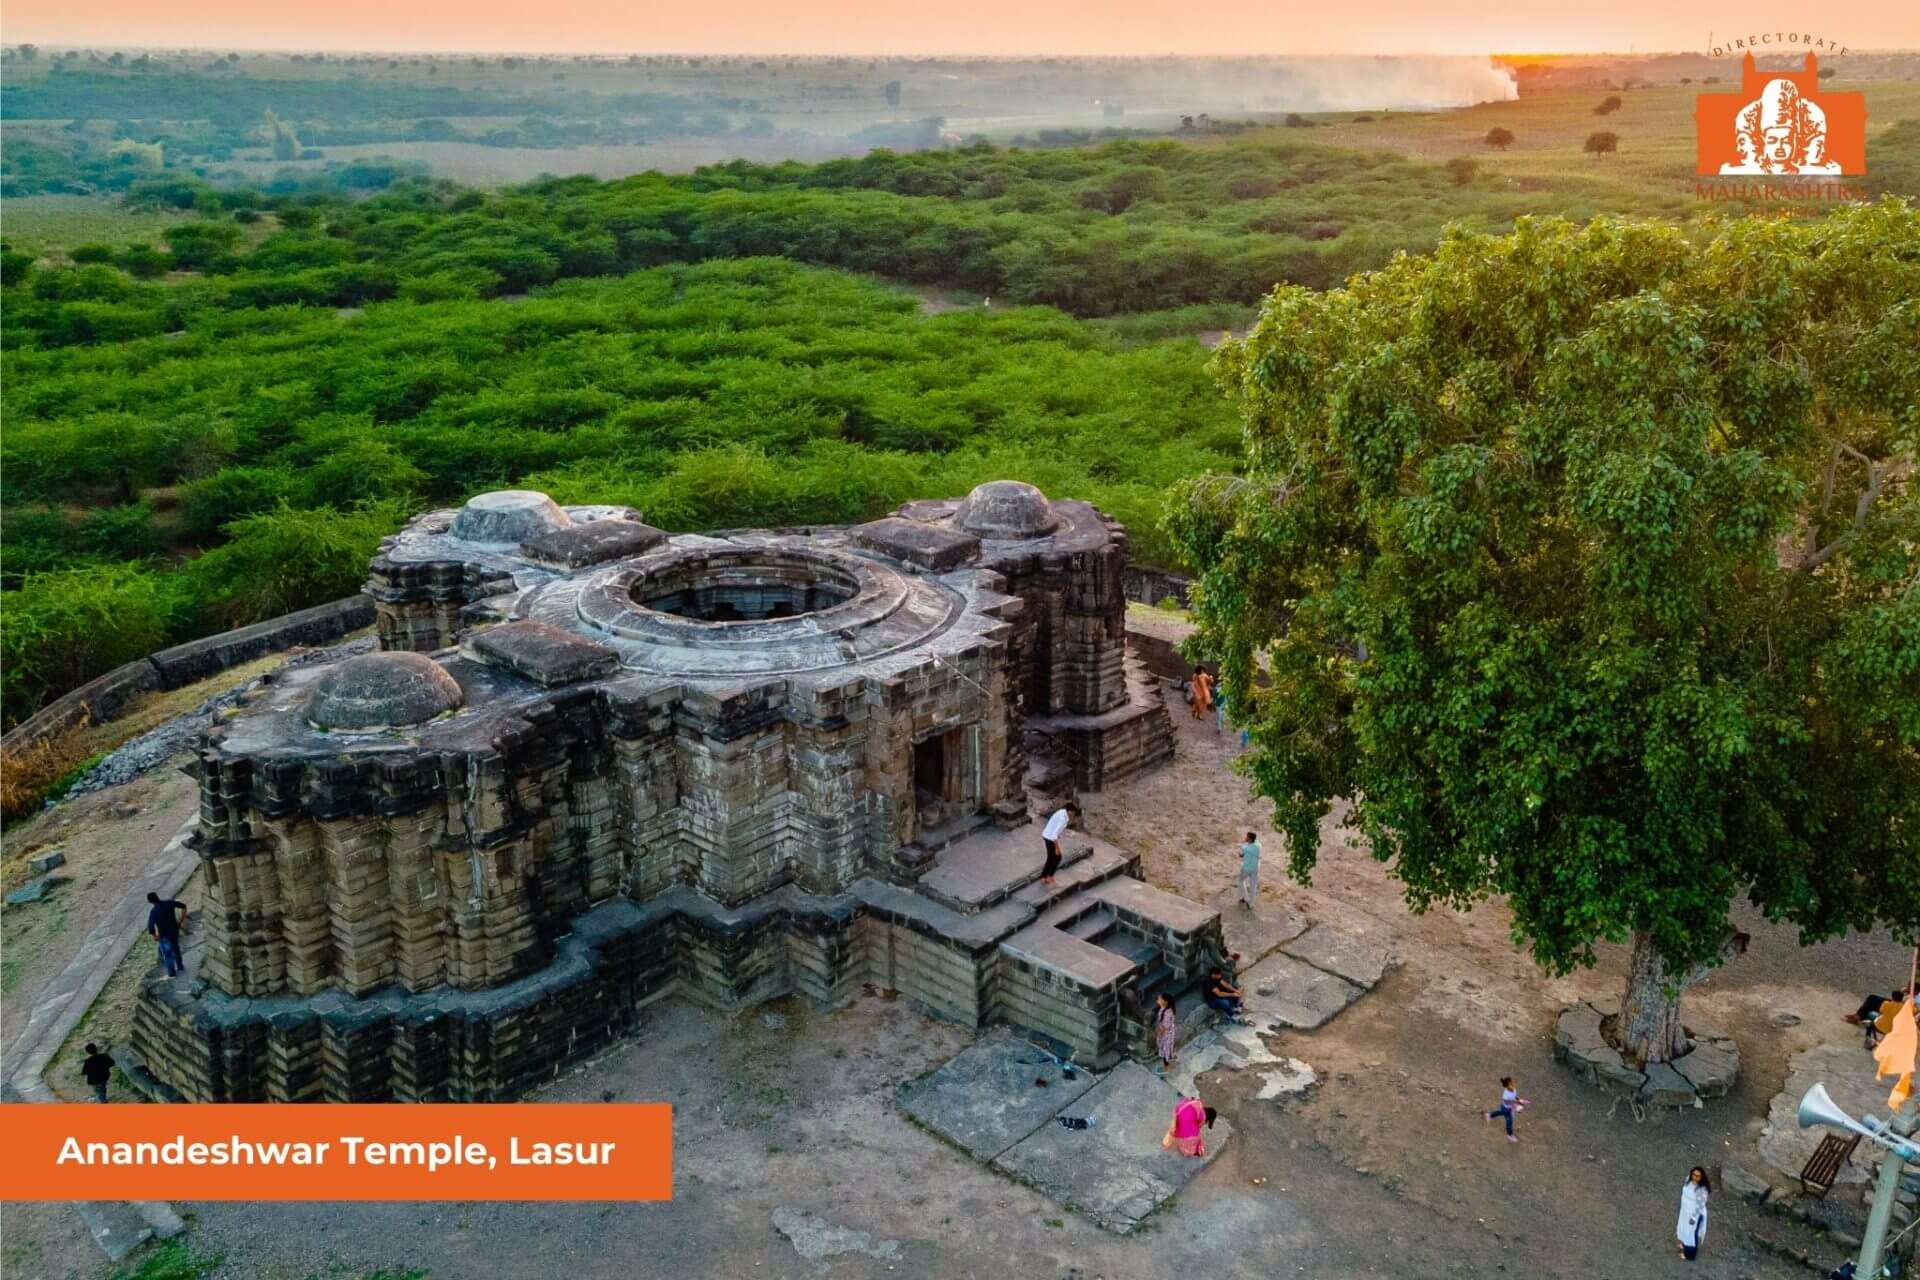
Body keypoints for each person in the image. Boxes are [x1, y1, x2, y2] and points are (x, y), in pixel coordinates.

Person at [146, 891, 188, 979]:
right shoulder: (169, 903)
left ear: (150, 902)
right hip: (174, 931)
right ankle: (180, 966)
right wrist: (181, 920)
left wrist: (154, 935)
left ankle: (172, 974)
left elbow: (150, 925)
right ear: (158, 897)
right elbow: (183, 906)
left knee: (168, 955)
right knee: (176, 949)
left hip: (164, 935)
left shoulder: (154, 912)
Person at [1676, 1166, 1711, 1261]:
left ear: (1701, 1178)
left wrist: (1694, 1217)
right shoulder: (1688, 1180)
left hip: (1693, 1215)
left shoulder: (1702, 1190)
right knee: (1684, 1229)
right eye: (1694, 1174)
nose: (1695, 1177)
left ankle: (1690, 1255)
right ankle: (1683, 1244)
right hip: (1685, 1212)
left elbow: (1700, 1205)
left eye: (1698, 1176)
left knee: (1691, 1233)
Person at [1039, 803, 1077, 887]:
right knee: (1056, 857)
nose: (1073, 815)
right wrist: (1057, 848)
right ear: (1069, 811)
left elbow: (1055, 826)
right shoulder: (1063, 818)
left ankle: (1046, 876)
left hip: (1048, 834)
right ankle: (1047, 876)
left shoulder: (1062, 812)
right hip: (1050, 837)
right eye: (1073, 812)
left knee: (1052, 858)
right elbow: (1054, 834)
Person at [1484, 1076, 1529, 1143]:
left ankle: (1489, 1115)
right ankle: (1509, 1135)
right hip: (1506, 1109)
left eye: (1512, 1083)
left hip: (1508, 1108)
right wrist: (1517, 1103)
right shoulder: (1506, 1094)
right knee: (1509, 1122)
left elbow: (1514, 1096)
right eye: (1510, 1084)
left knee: (1500, 1112)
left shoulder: (1514, 1089)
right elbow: (1506, 1102)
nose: (1512, 1085)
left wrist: (1519, 1099)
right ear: (1506, 1086)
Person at [1162, 1093, 1208, 1158]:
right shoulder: (1199, 1107)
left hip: (1180, 1135)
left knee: (1181, 1143)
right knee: (1194, 1149)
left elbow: (1174, 1123)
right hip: (1192, 1136)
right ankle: (1195, 1153)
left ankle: (1181, 1149)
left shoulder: (1179, 1107)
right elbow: (1201, 1121)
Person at [1153, 992, 1178, 1076]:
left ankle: (1166, 1069)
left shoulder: (1167, 1013)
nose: (1158, 1000)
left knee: (1165, 1052)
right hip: (1168, 1033)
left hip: (1166, 1035)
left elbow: (1165, 1028)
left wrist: (1159, 1034)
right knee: (1167, 1050)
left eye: (1160, 999)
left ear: (1165, 1001)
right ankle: (1170, 1057)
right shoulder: (1166, 1009)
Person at [1237, 832, 1262, 910]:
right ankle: (1251, 904)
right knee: (1253, 886)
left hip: (1246, 868)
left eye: (1247, 837)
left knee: (1240, 881)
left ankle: (1245, 897)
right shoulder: (1258, 845)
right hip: (1255, 868)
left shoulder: (1245, 847)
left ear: (1250, 839)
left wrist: (1240, 851)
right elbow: (1255, 841)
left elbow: (1241, 855)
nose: (1245, 838)